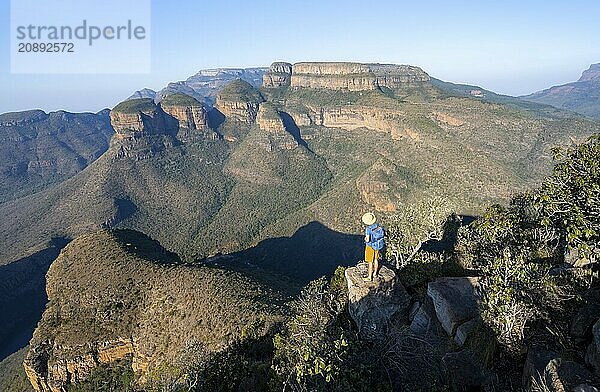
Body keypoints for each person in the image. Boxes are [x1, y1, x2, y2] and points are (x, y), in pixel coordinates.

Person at [362, 212, 385, 282]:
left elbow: (368, 239)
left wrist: (365, 239)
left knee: (370, 262)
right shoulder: (377, 225)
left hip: (370, 246)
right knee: (376, 259)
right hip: (377, 245)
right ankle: (375, 274)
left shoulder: (368, 229)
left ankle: (369, 277)